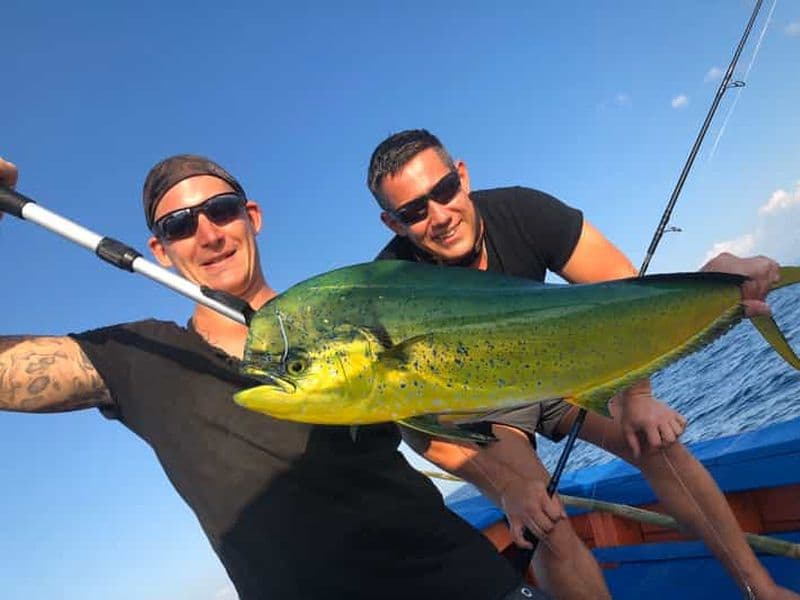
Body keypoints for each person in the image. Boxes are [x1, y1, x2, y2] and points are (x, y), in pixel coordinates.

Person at [0, 155, 546, 600]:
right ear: (161, 252)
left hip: (461, 579)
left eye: (221, 210)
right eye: (180, 225)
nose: (208, 234)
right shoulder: (137, 356)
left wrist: (511, 485)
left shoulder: (339, 314)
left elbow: (431, 432)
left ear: (252, 216)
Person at [366, 129, 800, 600]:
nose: (439, 215)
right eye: (414, 211)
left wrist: (637, 397)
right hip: (479, 411)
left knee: (656, 444)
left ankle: (763, 590)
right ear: (394, 224)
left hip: (556, 370)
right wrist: (508, 487)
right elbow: (416, 426)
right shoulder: (390, 288)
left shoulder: (523, 211)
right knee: (544, 522)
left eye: (444, 190)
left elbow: (619, 284)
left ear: (463, 177)